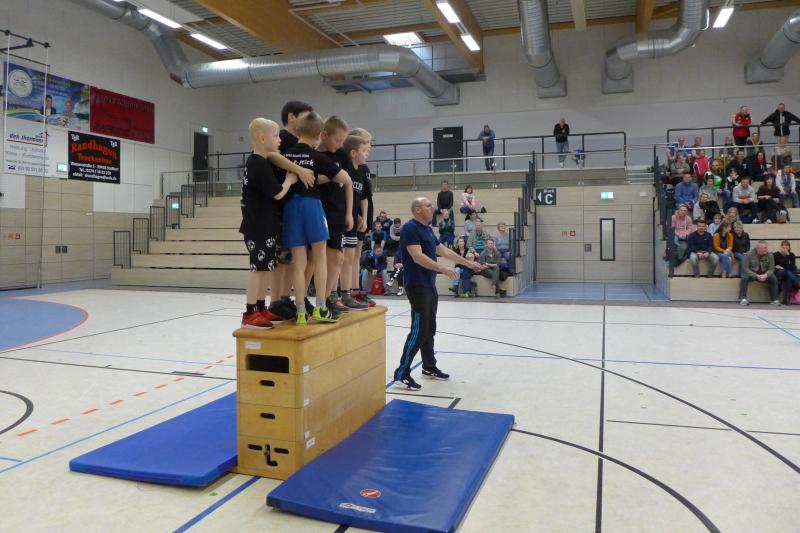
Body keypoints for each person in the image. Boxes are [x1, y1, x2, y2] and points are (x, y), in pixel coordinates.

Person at [392, 197, 481, 390]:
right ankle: (401, 373)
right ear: (417, 209)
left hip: (429, 285)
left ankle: (429, 366)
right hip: (417, 285)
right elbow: (417, 256)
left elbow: (444, 251)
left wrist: (468, 263)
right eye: (428, 205)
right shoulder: (410, 228)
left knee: (429, 328)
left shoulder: (427, 229)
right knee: (419, 330)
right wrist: (442, 269)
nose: (432, 208)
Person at [281, 111, 352, 325]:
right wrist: (323, 176)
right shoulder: (317, 157)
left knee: (299, 263)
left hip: (290, 207)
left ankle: (300, 311)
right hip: (311, 206)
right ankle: (321, 307)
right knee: (320, 256)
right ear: (320, 134)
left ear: (297, 130)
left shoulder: (286, 154)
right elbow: (344, 177)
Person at [239, 118, 299, 329]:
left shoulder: (260, 162)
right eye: (276, 136)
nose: (280, 140)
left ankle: (260, 307)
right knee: (258, 268)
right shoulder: (258, 163)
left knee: (266, 267)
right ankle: (249, 312)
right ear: (263, 138)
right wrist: (289, 180)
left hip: (266, 224)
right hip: (258, 226)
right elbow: (278, 193)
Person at [268, 100, 315, 321]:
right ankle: (275, 300)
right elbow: (272, 155)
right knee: (281, 258)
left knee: (291, 258)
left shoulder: (301, 142)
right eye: (305, 117)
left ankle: (286, 297)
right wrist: (299, 170)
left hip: (294, 207)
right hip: (279, 206)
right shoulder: (283, 138)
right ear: (292, 117)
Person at [318, 117, 356, 315]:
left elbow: (348, 183)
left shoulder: (341, 154)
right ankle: (319, 299)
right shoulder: (314, 154)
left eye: (343, 140)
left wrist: (349, 213)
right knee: (318, 259)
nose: (340, 144)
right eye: (337, 140)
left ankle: (327, 298)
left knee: (338, 258)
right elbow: (311, 179)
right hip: (318, 210)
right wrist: (332, 176)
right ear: (324, 135)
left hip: (337, 212)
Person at [339, 134, 371, 312]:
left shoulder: (361, 171)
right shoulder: (345, 170)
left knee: (350, 258)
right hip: (341, 220)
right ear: (353, 152)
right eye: (364, 150)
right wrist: (351, 215)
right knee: (339, 259)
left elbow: (362, 197)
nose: (367, 153)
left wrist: (362, 217)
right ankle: (335, 295)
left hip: (352, 220)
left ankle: (348, 294)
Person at [739, 240, 780, 306]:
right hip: (752, 275)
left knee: (773, 278)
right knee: (744, 277)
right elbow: (745, 268)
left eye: (766, 247)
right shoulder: (749, 254)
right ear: (758, 249)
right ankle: (743, 299)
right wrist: (756, 275)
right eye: (765, 248)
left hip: (764, 275)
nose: (767, 249)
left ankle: (774, 299)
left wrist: (766, 275)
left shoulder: (770, 255)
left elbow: (771, 269)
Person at [668, 204, 694, 277]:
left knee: (691, 240)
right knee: (675, 241)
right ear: (678, 210)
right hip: (675, 233)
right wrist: (678, 234)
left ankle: (683, 255)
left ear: (687, 212)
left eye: (685, 210)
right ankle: (678, 256)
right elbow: (672, 228)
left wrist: (685, 234)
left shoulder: (688, 218)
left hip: (685, 234)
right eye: (681, 210)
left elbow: (689, 229)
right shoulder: (673, 217)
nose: (683, 211)